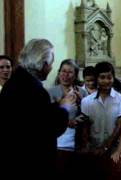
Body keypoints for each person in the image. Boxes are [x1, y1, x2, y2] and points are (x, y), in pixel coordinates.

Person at [0, 39, 69, 178]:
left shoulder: (12, 83)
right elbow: (48, 128)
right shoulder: (35, 90)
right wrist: (64, 107)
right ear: (44, 64)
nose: (51, 68)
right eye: (51, 64)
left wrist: (56, 106)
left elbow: (31, 117)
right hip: (32, 163)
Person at [81, 61, 121, 155]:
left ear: (113, 78)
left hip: (114, 150)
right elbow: (85, 126)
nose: (106, 81)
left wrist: (106, 147)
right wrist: (87, 145)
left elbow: (119, 126)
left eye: (109, 77)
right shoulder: (86, 101)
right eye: (102, 77)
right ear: (96, 79)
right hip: (92, 149)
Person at [48, 59, 87, 152]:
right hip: (57, 138)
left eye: (70, 72)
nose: (65, 75)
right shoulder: (50, 92)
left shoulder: (82, 92)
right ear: (59, 72)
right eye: (63, 71)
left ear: (75, 75)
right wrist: (68, 122)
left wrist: (81, 103)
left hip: (77, 138)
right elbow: (47, 117)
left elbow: (88, 114)